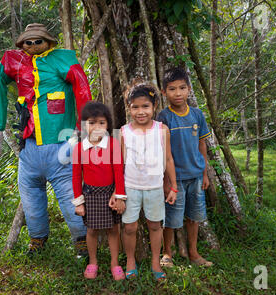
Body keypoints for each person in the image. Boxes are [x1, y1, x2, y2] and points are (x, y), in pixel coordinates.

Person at [0, 23, 92, 257]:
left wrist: (84, 126)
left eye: (38, 42)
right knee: (31, 196)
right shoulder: (16, 62)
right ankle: (37, 237)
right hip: (30, 147)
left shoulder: (61, 60)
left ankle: (82, 239)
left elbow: (81, 85)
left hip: (61, 146)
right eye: (28, 42)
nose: (33, 46)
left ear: (49, 42)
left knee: (70, 196)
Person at [156, 67, 213, 267]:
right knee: (171, 218)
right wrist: (166, 180)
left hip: (196, 176)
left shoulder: (197, 115)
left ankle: (194, 253)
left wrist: (205, 174)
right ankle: (167, 253)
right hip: (175, 179)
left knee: (195, 217)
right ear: (164, 92)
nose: (177, 93)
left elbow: (202, 144)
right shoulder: (164, 117)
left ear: (189, 89)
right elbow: (162, 152)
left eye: (182, 88)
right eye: (172, 89)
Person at [120, 83, 178, 281]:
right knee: (129, 227)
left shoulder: (162, 130)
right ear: (129, 108)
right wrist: (117, 192)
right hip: (130, 187)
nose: (140, 111)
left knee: (155, 225)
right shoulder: (124, 131)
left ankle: (155, 261)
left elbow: (169, 159)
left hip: (154, 188)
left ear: (154, 106)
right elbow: (119, 164)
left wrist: (173, 186)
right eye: (135, 107)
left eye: (145, 106)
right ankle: (130, 260)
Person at [72, 102, 127, 280]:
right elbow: (75, 178)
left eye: (102, 123)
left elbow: (119, 171)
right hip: (90, 195)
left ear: (108, 125)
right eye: (92, 122)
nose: (97, 127)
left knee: (113, 229)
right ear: (84, 125)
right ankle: (93, 262)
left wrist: (119, 197)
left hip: (110, 194)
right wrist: (79, 202)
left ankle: (114, 263)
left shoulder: (113, 144)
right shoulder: (79, 148)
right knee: (92, 230)